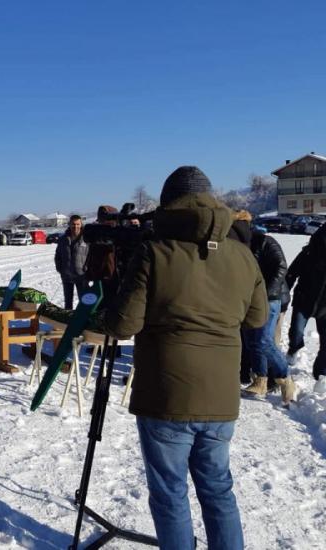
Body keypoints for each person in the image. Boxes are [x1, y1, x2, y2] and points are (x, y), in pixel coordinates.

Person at [104, 166, 268, 550]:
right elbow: (257, 318)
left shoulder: (154, 252)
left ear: (168, 206)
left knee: (170, 493)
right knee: (218, 490)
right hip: (221, 397)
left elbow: (123, 324)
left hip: (166, 396)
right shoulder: (242, 255)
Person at [237, 213, 296, 403]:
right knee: (252, 340)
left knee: (264, 340)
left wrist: (264, 293)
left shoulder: (265, 241)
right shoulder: (237, 246)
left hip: (270, 298)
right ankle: (260, 380)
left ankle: (285, 378)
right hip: (248, 299)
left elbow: (281, 267)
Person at [286, 224, 326, 380]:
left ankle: (321, 374)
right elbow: (292, 273)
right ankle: (294, 348)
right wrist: (283, 294)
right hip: (304, 299)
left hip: (325, 306)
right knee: (296, 332)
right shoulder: (309, 253)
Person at [54, 214, 89, 309]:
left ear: (81, 225)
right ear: (69, 224)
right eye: (73, 224)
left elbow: (91, 256)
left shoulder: (87, 239)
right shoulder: (63, 239)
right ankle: (68, 321)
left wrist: (88, 269)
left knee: (84, 301)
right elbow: (57, 256)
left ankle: (83, 322)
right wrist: (60, 268)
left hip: (82, 275)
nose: (75, 226)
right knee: (68, 301)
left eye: (78, 224)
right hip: (67, 275)